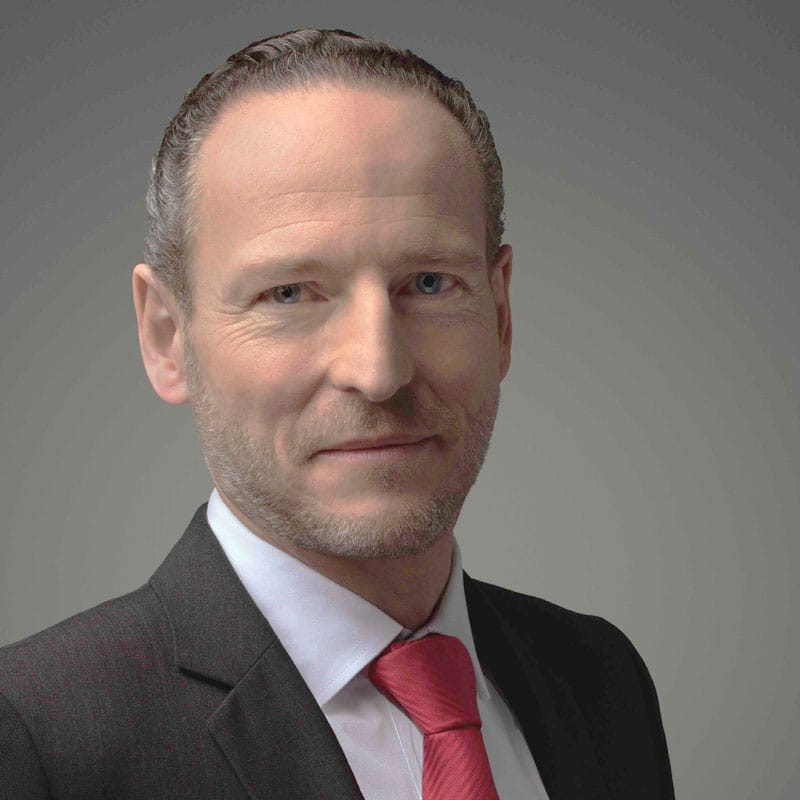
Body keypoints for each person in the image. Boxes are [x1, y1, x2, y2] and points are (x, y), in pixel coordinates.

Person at [0, 29, 674, 799]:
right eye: (289, 294)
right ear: (166, 337)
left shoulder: (598, 679)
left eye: (428, 283)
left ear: (501, 314)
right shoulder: (39, 741)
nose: (378, 371)